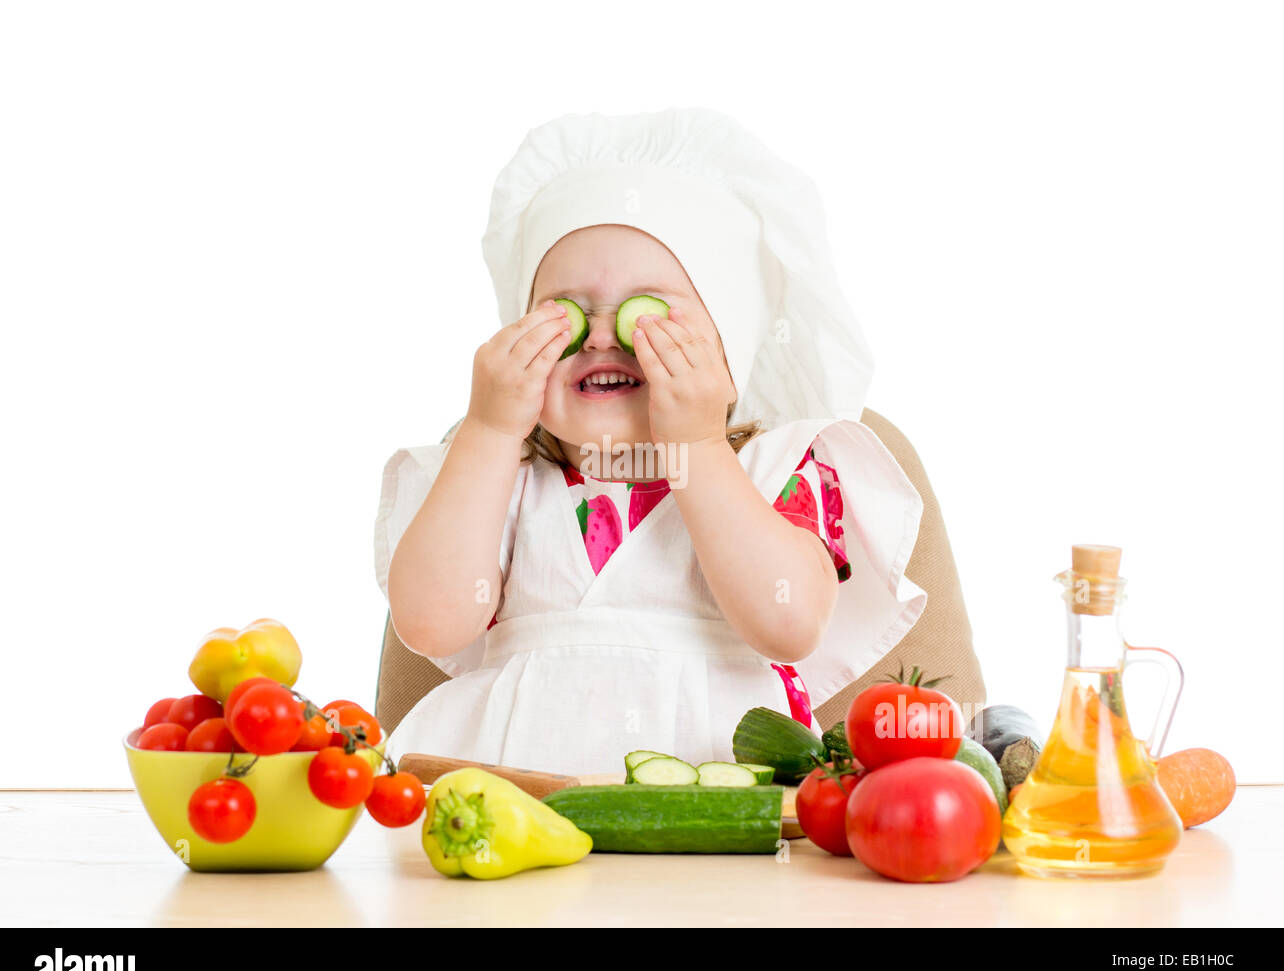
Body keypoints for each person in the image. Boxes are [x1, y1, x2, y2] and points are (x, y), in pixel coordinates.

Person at [373, 108, 928, 775]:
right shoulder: (502, 472)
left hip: (713, 817)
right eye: (564, 311)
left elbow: (788, 626)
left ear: (732, 351)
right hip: (505, 812)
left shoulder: (779, 466)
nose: (603, 333)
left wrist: (695, 444)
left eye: (649, 310)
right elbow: (431, 623)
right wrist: (490, 430)